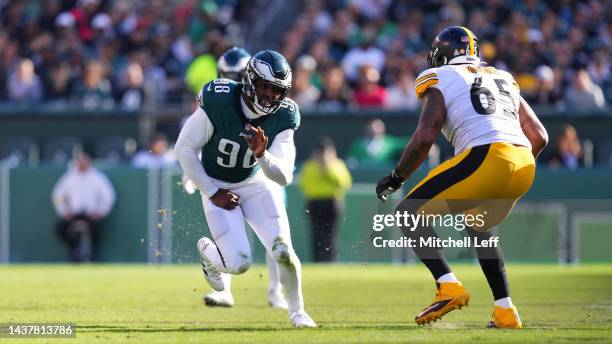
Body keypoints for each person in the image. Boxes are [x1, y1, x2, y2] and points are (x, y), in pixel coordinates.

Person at [375, 26, 548, 329]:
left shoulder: (439, 76)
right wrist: (510, 170)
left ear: (439, 55)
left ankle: (449, 286)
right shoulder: (502, 76)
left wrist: (397, 175)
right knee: (477, 225)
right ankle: (506, 311)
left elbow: (426, 134)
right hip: (524, 164)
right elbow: (540, 136)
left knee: (408, 213)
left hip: (487, 155)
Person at [174, 50, 316, 328]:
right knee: (238, 264)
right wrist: (212, 192)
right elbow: (184, 149)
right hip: (217, 184)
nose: (271, 96)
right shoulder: (219, 99)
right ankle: (208, 252)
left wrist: (263, 155)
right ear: (250, 80)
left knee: (283, 250)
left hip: (255, 184)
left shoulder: (286, 115)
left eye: (277, 90)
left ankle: (298, 312)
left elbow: (284, 176)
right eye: (265, 86)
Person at [197, 47, 289, 311]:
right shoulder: (219, 100)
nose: (232, 80)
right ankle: (225, 290)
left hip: (260, 175)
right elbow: (198, 140)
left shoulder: (270, 103)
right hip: (227, 175)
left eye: (236, 74)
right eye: (227, 74)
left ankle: (276, 291)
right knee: (229, 233)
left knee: (277, 237)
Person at [52, 152, 116, 262]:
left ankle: (93, 254)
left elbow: (109, 196)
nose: (82, 163)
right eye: (80, 161)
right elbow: (57, 196)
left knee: (97, 229)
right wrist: (64, 211)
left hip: (91, 215)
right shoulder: (69, 177)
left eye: (85, 161)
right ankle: (74, 250)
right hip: (73, 214)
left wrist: (100, 212)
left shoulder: (98, 177)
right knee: (60, 229)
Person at [299, 137, 352, 262]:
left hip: (332, 202)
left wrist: (327, 168)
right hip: (315, 203)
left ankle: (331, 261)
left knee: (331, 235)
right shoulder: (309, 166)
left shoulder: (337, 164)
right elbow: (305, 186)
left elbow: (344, 183)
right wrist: (319, 169)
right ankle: (316, 261)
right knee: (315, 234)